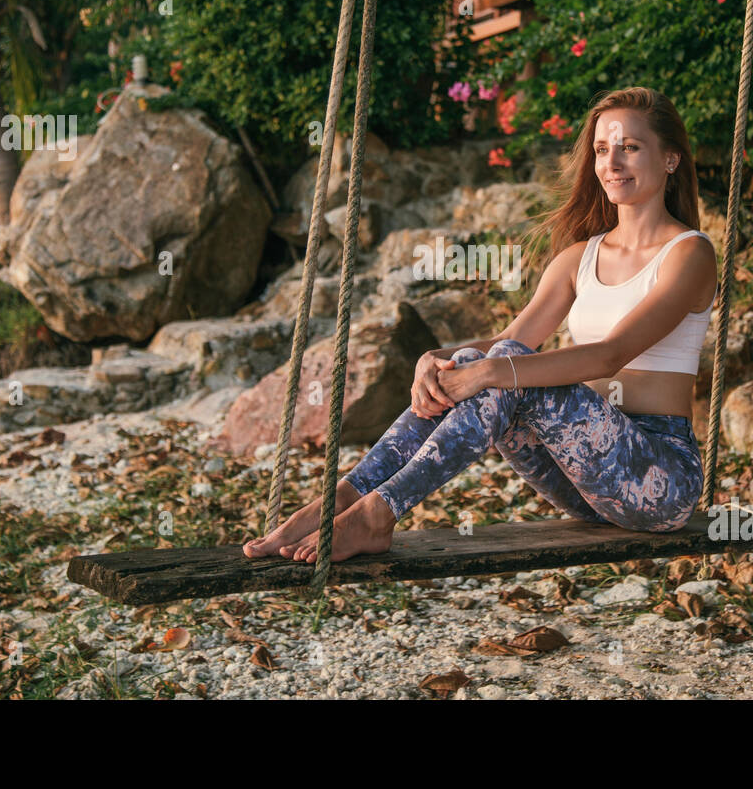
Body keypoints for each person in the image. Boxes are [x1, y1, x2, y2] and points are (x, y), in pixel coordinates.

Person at [245, 86, 719, 565]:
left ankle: (377, 513)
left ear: (671, 159)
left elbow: (609, 354)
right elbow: (507, 343)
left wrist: (490, 371)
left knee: (501, 368)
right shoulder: (581, 257)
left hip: (659, 481)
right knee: (479, 359)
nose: (611, 163)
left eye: (630, 148)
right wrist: (437, 359)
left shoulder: (689, 254)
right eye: (601, 149)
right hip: (587, 484)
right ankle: (345, 500)